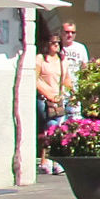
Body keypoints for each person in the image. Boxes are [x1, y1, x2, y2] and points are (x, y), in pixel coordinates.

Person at [34, 31, 65, 174]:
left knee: (56, 129)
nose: (56, 45)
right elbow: (35, 80)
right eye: (53, 43)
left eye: (58, 43)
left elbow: (66, 80)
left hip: (58, 100)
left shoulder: (60, 60)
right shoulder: (40, 59)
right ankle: (46, 160)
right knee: (50, 128)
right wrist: (48, 95)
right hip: (44, 100)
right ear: (47, 44)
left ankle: (51, 160)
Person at [59, 21, 88, 117]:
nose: (69, 35)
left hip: (75, 90)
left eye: (72, 32)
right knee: (60, 118)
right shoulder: (56, 47)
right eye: (66, 32)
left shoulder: (80, 48)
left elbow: (84, 68)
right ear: (61, 32)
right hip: (60, 90)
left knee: (74, 118)